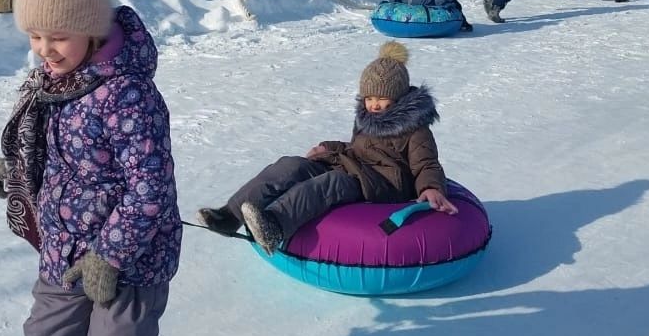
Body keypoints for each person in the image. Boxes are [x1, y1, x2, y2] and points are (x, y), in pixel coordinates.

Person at [0, 0, 198, 336]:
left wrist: (110, 255)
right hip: (62, 248)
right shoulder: (51, 83)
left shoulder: (128, 95)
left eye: (58, 36)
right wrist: (14, 173)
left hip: (132, 258)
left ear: (92, 29)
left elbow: (150, 188)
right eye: (34, 36)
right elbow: (57, 161)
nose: (44, 49)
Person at [194, 41, 457, 255]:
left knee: (331, 182)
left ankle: (275, 226)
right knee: (291, 165)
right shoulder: (367, 119)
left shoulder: (416, 129)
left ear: (399, 97)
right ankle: (230, 215)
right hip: (357, 167)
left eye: (382, 98)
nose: (374, 105)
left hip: (385, 184)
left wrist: (430, 187)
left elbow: (426, 164)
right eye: (369, 98)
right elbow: (357, 148)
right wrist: (328, 147)